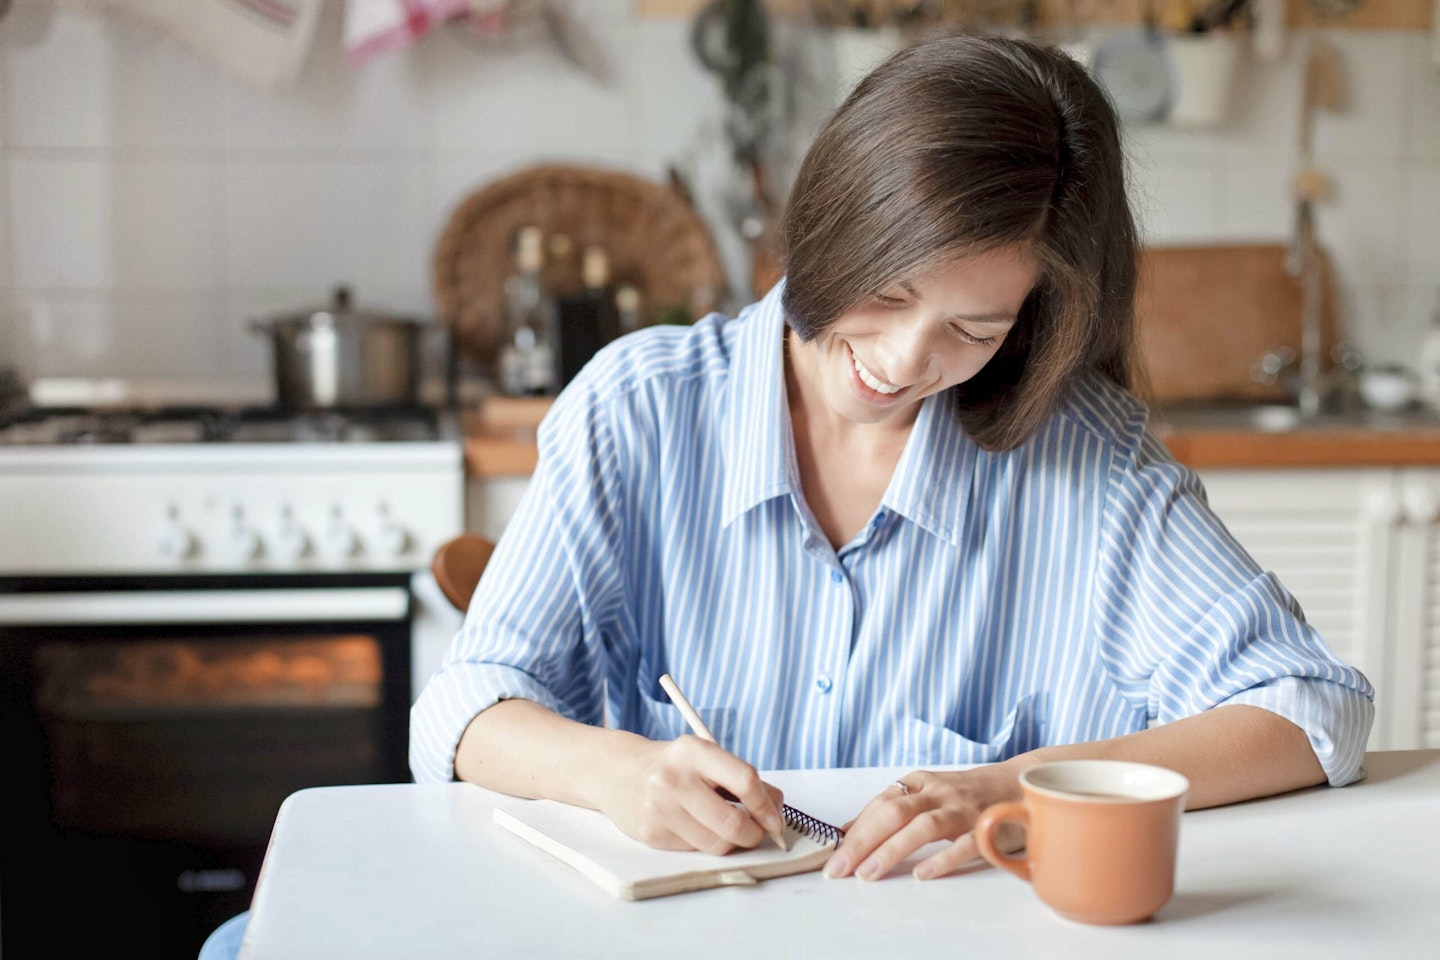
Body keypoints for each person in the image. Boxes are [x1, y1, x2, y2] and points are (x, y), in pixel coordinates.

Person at [417, 31, 1375, 887]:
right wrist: (616, 774)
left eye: (974, 327)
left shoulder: (1083, 459)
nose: (906, 361)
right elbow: (466, 707)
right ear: (834, 219)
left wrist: (1017, 792)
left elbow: (1308, 709)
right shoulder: (636, 408)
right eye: (886, 289)